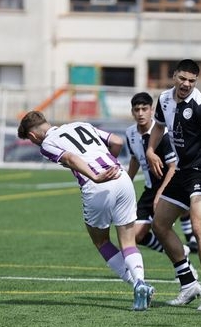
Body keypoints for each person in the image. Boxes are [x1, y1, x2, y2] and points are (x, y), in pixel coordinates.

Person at [17, 110, 155, 311]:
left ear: (32, 136)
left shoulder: (47, 144)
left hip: (97, 185)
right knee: (128, 240)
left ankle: (136, 285)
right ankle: (141, 280)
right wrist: (108, 165)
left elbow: (71, 158)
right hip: (121, 177)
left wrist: (96, 176)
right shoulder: (81, 124)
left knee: (101, 241)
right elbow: (116, 141)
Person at [146, 59, 201, 312]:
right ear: (174, 76)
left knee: (198, 226)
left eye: (191, 81)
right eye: (182, 78)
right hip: (182, 172)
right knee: (159, 225)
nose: (186, 84)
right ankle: (188, 283)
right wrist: (151, 150)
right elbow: (159, 126)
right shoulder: (163, 99)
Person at [125, 92, 198, 258]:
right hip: (150, 189)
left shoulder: (162, 134)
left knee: (162, 229)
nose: (140, 113)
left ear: (152, 110)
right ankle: (182, 251)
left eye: (144, 109)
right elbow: (135, 159)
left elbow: (173, 167)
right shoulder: (130, 133)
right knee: (136, 235)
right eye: (137, 110)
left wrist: (161, 193)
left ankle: (183, 267)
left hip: (169, 187)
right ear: (132, 112)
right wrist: (126, 182)